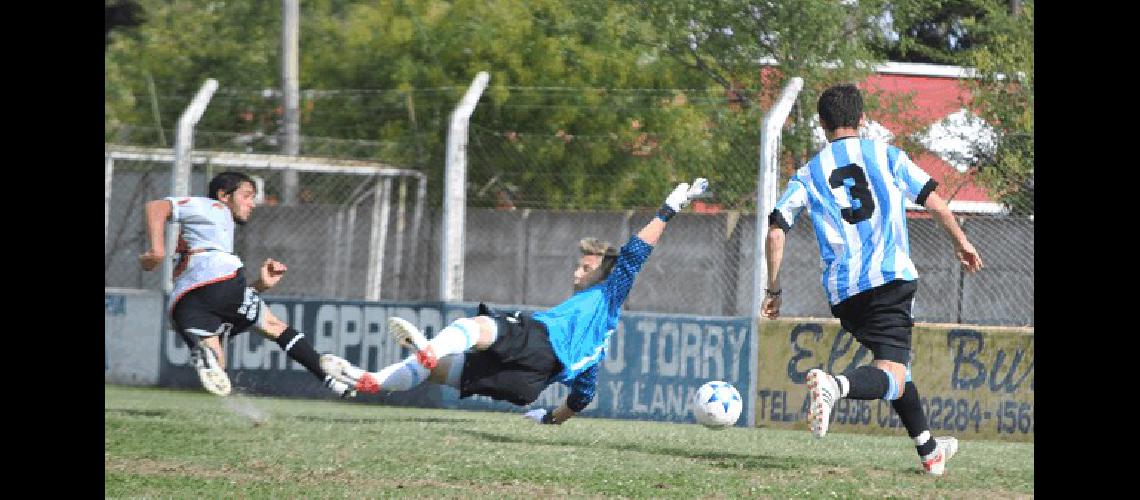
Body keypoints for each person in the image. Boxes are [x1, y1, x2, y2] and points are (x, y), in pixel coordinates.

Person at [322, 178, 709, 425]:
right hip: (530, 383)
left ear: (603, 273)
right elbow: (582, 397)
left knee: (475, 328)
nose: (577, 272)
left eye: (585, 266)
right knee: (439, 371)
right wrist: (549, 420)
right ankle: (368, 381)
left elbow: (635, 254)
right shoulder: (595, 348)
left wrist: (668, 209)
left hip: (539, 341)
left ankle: (423, 354)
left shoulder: (609, 294)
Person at [761, 84, 984, 476]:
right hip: (889, 280)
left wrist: (773, 291)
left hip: (844, 295)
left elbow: (776, 230)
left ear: (822, 125)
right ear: (862, 120)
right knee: (892, 375)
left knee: (896, 365)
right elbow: (932, 198)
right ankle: (835, 387)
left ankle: (930, 452)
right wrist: (961, 242)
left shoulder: (808, 173)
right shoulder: (887, 155)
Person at [139, 171, 355, 398]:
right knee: (274, 326)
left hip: (186, 302)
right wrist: (157, 249)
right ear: (223, 195)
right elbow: (156, 206)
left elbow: (216, 295)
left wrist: (258, 286)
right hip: (215, 274)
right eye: (247, 195)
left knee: (218, 369)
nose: (253, 203)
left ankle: (206, 356)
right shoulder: (211, 207)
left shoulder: (217, 229)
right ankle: (332, 381)